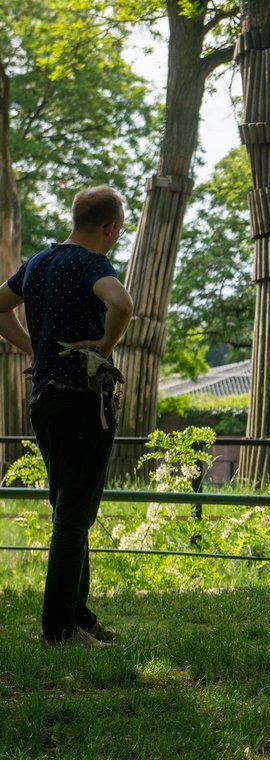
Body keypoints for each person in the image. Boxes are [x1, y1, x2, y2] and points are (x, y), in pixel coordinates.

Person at [0, 185, 133, 647]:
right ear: (109, 227)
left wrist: (36, 350)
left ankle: (79, 616)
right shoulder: (93, 265)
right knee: (74, 516)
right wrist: (105, 346)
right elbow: (122, 304)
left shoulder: (39, 262)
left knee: (68, 511)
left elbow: (0, 306)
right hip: (82, 403)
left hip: (44, 402)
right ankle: (58, 630)